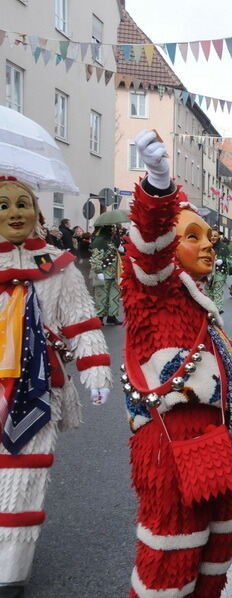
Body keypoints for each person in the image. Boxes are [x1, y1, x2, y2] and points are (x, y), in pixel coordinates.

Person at [122, 131, 232, 598]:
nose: (208, 247)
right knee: (171, 559)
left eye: (209, 238)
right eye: (192, 237)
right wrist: (159, 189)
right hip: (172, 454)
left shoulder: (197, 299)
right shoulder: (152, 291)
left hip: (217, 450)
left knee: (216, 553)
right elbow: (147, 252)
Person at [0, 176, 112, 596]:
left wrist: (95, 369)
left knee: (23, 472)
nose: (14, 212)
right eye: (3, 205)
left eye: (21, 204)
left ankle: (9, 569)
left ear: (36, 211)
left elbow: (81, 320)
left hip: (38, 386)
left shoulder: (58, 264)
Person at [90, 224, 123, 325]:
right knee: (101, 296)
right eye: (112, 228)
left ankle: (112, 316)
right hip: (102, 273)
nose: (114, 230)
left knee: (114, 296)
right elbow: (95, 257)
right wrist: (98, 272)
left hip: (114, 273)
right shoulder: (99, 240)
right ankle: (99, 317)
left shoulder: (110, 240)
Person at [206, 230, 228, 313]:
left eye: (215, 236)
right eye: (211, 235)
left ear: (219, 237)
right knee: (208, 290)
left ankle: (217, 310)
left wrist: (222, 260)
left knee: (217, 290)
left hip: (219, 271)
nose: (213, 237)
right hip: (207, 271)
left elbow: (228, 257)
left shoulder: (223, 247)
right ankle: (209, 309)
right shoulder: (206, 245)